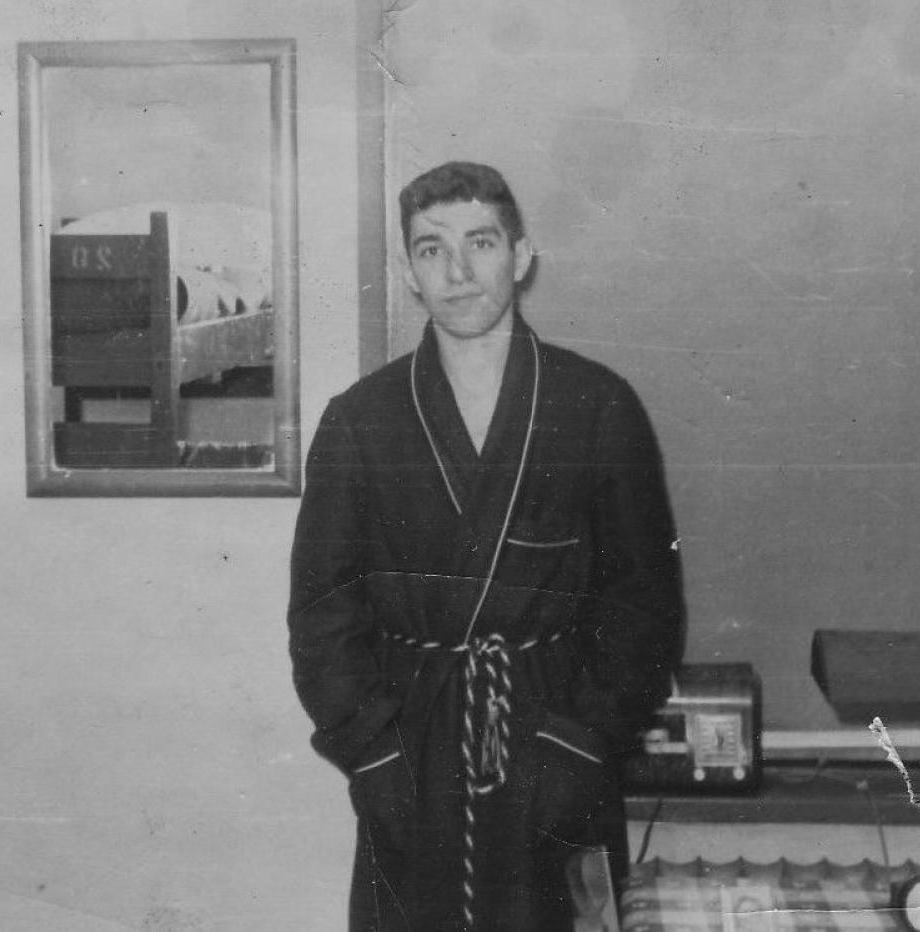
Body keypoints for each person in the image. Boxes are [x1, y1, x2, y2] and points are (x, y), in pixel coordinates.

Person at [288, 161, 684, 931]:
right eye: (432, 250)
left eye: (481, 242)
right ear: (409, 272)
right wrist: (372, 755)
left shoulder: (598, 406)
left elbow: (645, 607)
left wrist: (583, 742)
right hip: (411, 742)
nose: (459, 271)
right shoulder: (359, 422)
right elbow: (321, 618)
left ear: (522, 255)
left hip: (559, 735)